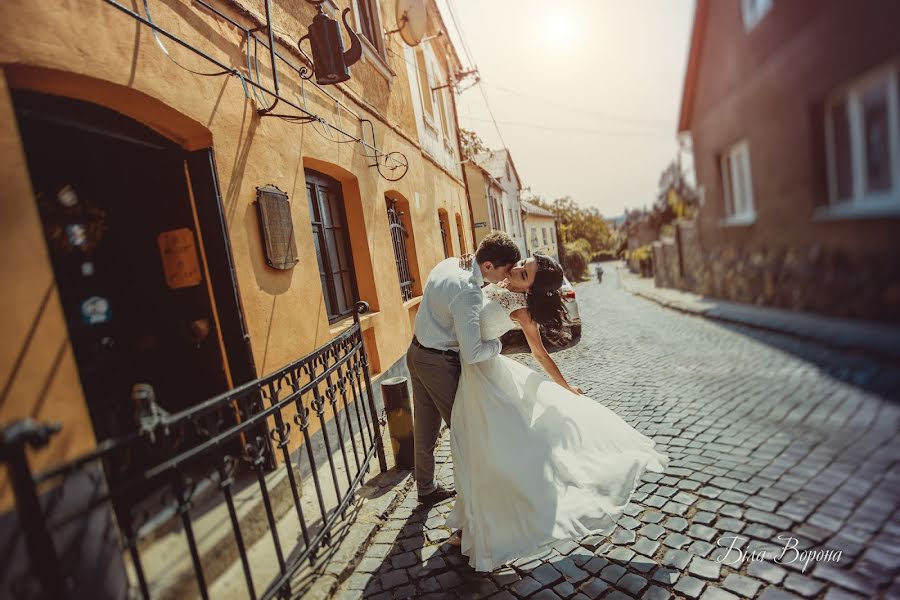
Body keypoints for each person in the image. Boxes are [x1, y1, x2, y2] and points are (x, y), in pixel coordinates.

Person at [446, 253, 668, 572]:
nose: (518, 269)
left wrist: (565, 386)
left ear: (531, 289)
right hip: (476, 372)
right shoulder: (500, 284)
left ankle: (485, 525)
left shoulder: (521, 309)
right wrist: (470, 270)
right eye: (523, 264)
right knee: (469, 446)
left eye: (525, 274)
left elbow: (538, 352)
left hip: (484, 379)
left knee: (486, 452)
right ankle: (469, 523)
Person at [407, 232, 521, 506]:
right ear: (488, 265)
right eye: (505, 270)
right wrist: (498, 345)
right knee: (465, 428)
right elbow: (472, 354)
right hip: (438, 363)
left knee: (424, 428)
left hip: (415, 351)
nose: (507, 277)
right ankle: (476, 498)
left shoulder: (449, 263)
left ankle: (425, 488)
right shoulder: (468, 292)